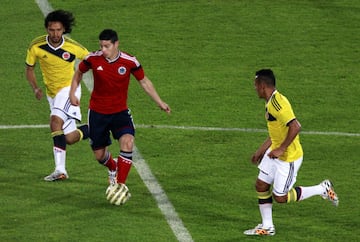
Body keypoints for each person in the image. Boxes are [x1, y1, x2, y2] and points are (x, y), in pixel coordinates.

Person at [69, 29, 171, 205]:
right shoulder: (93, 59)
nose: (103, 50)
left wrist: (159, 102)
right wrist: (72, 93)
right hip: (98, 114)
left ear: (116, 44)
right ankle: (113, 167)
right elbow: (78, 73)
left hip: (120, 113)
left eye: (107, 46)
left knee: (128, 142)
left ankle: (120, 184)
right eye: (101, 46)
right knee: (100, 155)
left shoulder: (129, 61)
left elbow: (144, 81)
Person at [244, 69, 339, 236]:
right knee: (261, 184)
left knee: (280, 197)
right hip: (275, 152)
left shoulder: (278, 104)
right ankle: (267, 227)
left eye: (256, 85)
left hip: (288, 158)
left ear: (263, 85)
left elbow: (296, 126)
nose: (254, 88)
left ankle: (322, 189)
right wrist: (261, 150)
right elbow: (276, 132)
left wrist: (281, 148)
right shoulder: (270, 102)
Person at [25, 10, 89, 181]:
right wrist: (35, 88)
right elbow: (29, 69)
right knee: (69, 138)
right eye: (52, 30)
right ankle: (98, 127)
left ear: (64, 30)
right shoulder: (36, 46)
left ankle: (60, 170)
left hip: (69, 90)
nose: (55, 33)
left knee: (54, 122)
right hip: (51, 94)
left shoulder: (72, 46)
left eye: (59, 30)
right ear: (47, 29)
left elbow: (91, 59)